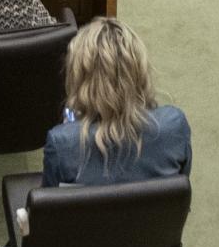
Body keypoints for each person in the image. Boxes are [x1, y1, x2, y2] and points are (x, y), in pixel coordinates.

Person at [42, 18, 190, 186]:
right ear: (139, 70)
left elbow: (49, 209)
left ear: (79, 77)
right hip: (156, 213)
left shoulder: (62, 143)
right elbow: (180, 194)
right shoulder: (175, 126)